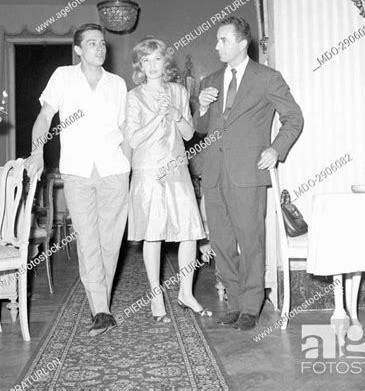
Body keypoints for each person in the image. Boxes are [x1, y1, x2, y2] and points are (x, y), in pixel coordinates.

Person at [194, 16, 303, 331]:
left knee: (251, 240)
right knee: (222, 242)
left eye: (223, 40)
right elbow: (200, 129)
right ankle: (236, 302)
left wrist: (275, 149)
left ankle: (252, 306)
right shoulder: (210, 80)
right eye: (216, 40)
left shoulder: (267, 78)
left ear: (242, 43)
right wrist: (200, 108)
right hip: (213, 173)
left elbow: (293, 118)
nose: (216, 46)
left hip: (248, 172)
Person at [26, 23, 131, 337]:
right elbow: (45, 117)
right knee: (87, 240)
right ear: (78, 50)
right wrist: (37, 153)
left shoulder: (118, 84)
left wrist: (130, 167)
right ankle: (101, 309)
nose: (99, 48)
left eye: (102, 43)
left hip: (114, 169)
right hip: (77, 170)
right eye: (92, 43)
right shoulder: (63, 76)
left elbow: (125, 130)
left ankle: (102, 303)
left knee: (110, 243)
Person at [126, 37, 211, 323]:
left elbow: (188, 135)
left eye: (157, 59)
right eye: (145, 60)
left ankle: (186, 293)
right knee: (154, 234)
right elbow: (134, 139)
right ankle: (155, 296)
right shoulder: (134, 96)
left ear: (165, 62)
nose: (151, 66)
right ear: (140, 65)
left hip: (176, 169)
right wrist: (156, 119)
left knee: (188, 232)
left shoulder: (178, 91)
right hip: (149, 171)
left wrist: (176, 114)